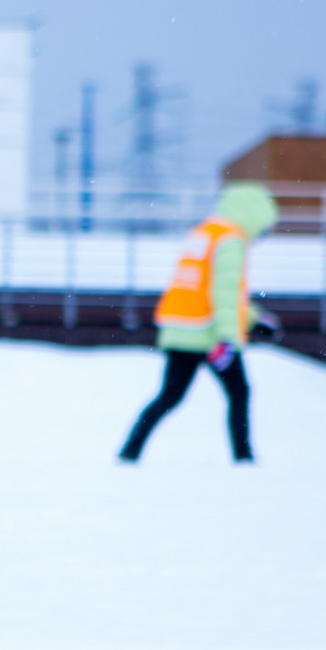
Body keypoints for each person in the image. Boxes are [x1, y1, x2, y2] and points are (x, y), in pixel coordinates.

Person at [119, 181, 279, 464]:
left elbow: (204, 288)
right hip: (210, 333)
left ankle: (130, 450)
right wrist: (229, 337)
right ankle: (243, 457)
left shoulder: (206, 232)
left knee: (169, 397)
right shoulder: (231, 239)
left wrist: (253, 318)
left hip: (181, 329)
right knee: (239, 393)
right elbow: (224, 293)